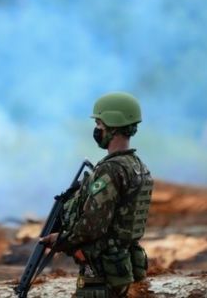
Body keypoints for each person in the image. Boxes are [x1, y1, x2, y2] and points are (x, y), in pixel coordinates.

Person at [40, 92, 153, 298]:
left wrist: (62, 241)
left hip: (102, 269)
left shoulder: (111, 170)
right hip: (120, 264)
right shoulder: (138, 166)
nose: (97, 130)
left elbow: (93, 225)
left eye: (100, 125)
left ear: (113, 125)